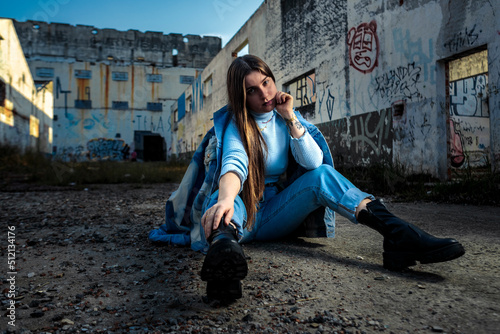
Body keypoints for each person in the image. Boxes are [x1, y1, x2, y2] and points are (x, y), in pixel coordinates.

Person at [152, 55, 465, 301]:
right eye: (252, 90)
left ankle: (399, 236)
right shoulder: (236, 124)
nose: (264, 94)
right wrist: (224, 200)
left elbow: (314, 163)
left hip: (276, 214)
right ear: (241, 96)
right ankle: (224, 260)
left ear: (273, 80)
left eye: (266, 83)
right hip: (242, 212)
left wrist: (291, 120)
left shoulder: (288, 117)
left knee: (323, 175)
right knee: (224, 200)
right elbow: (234, 164)